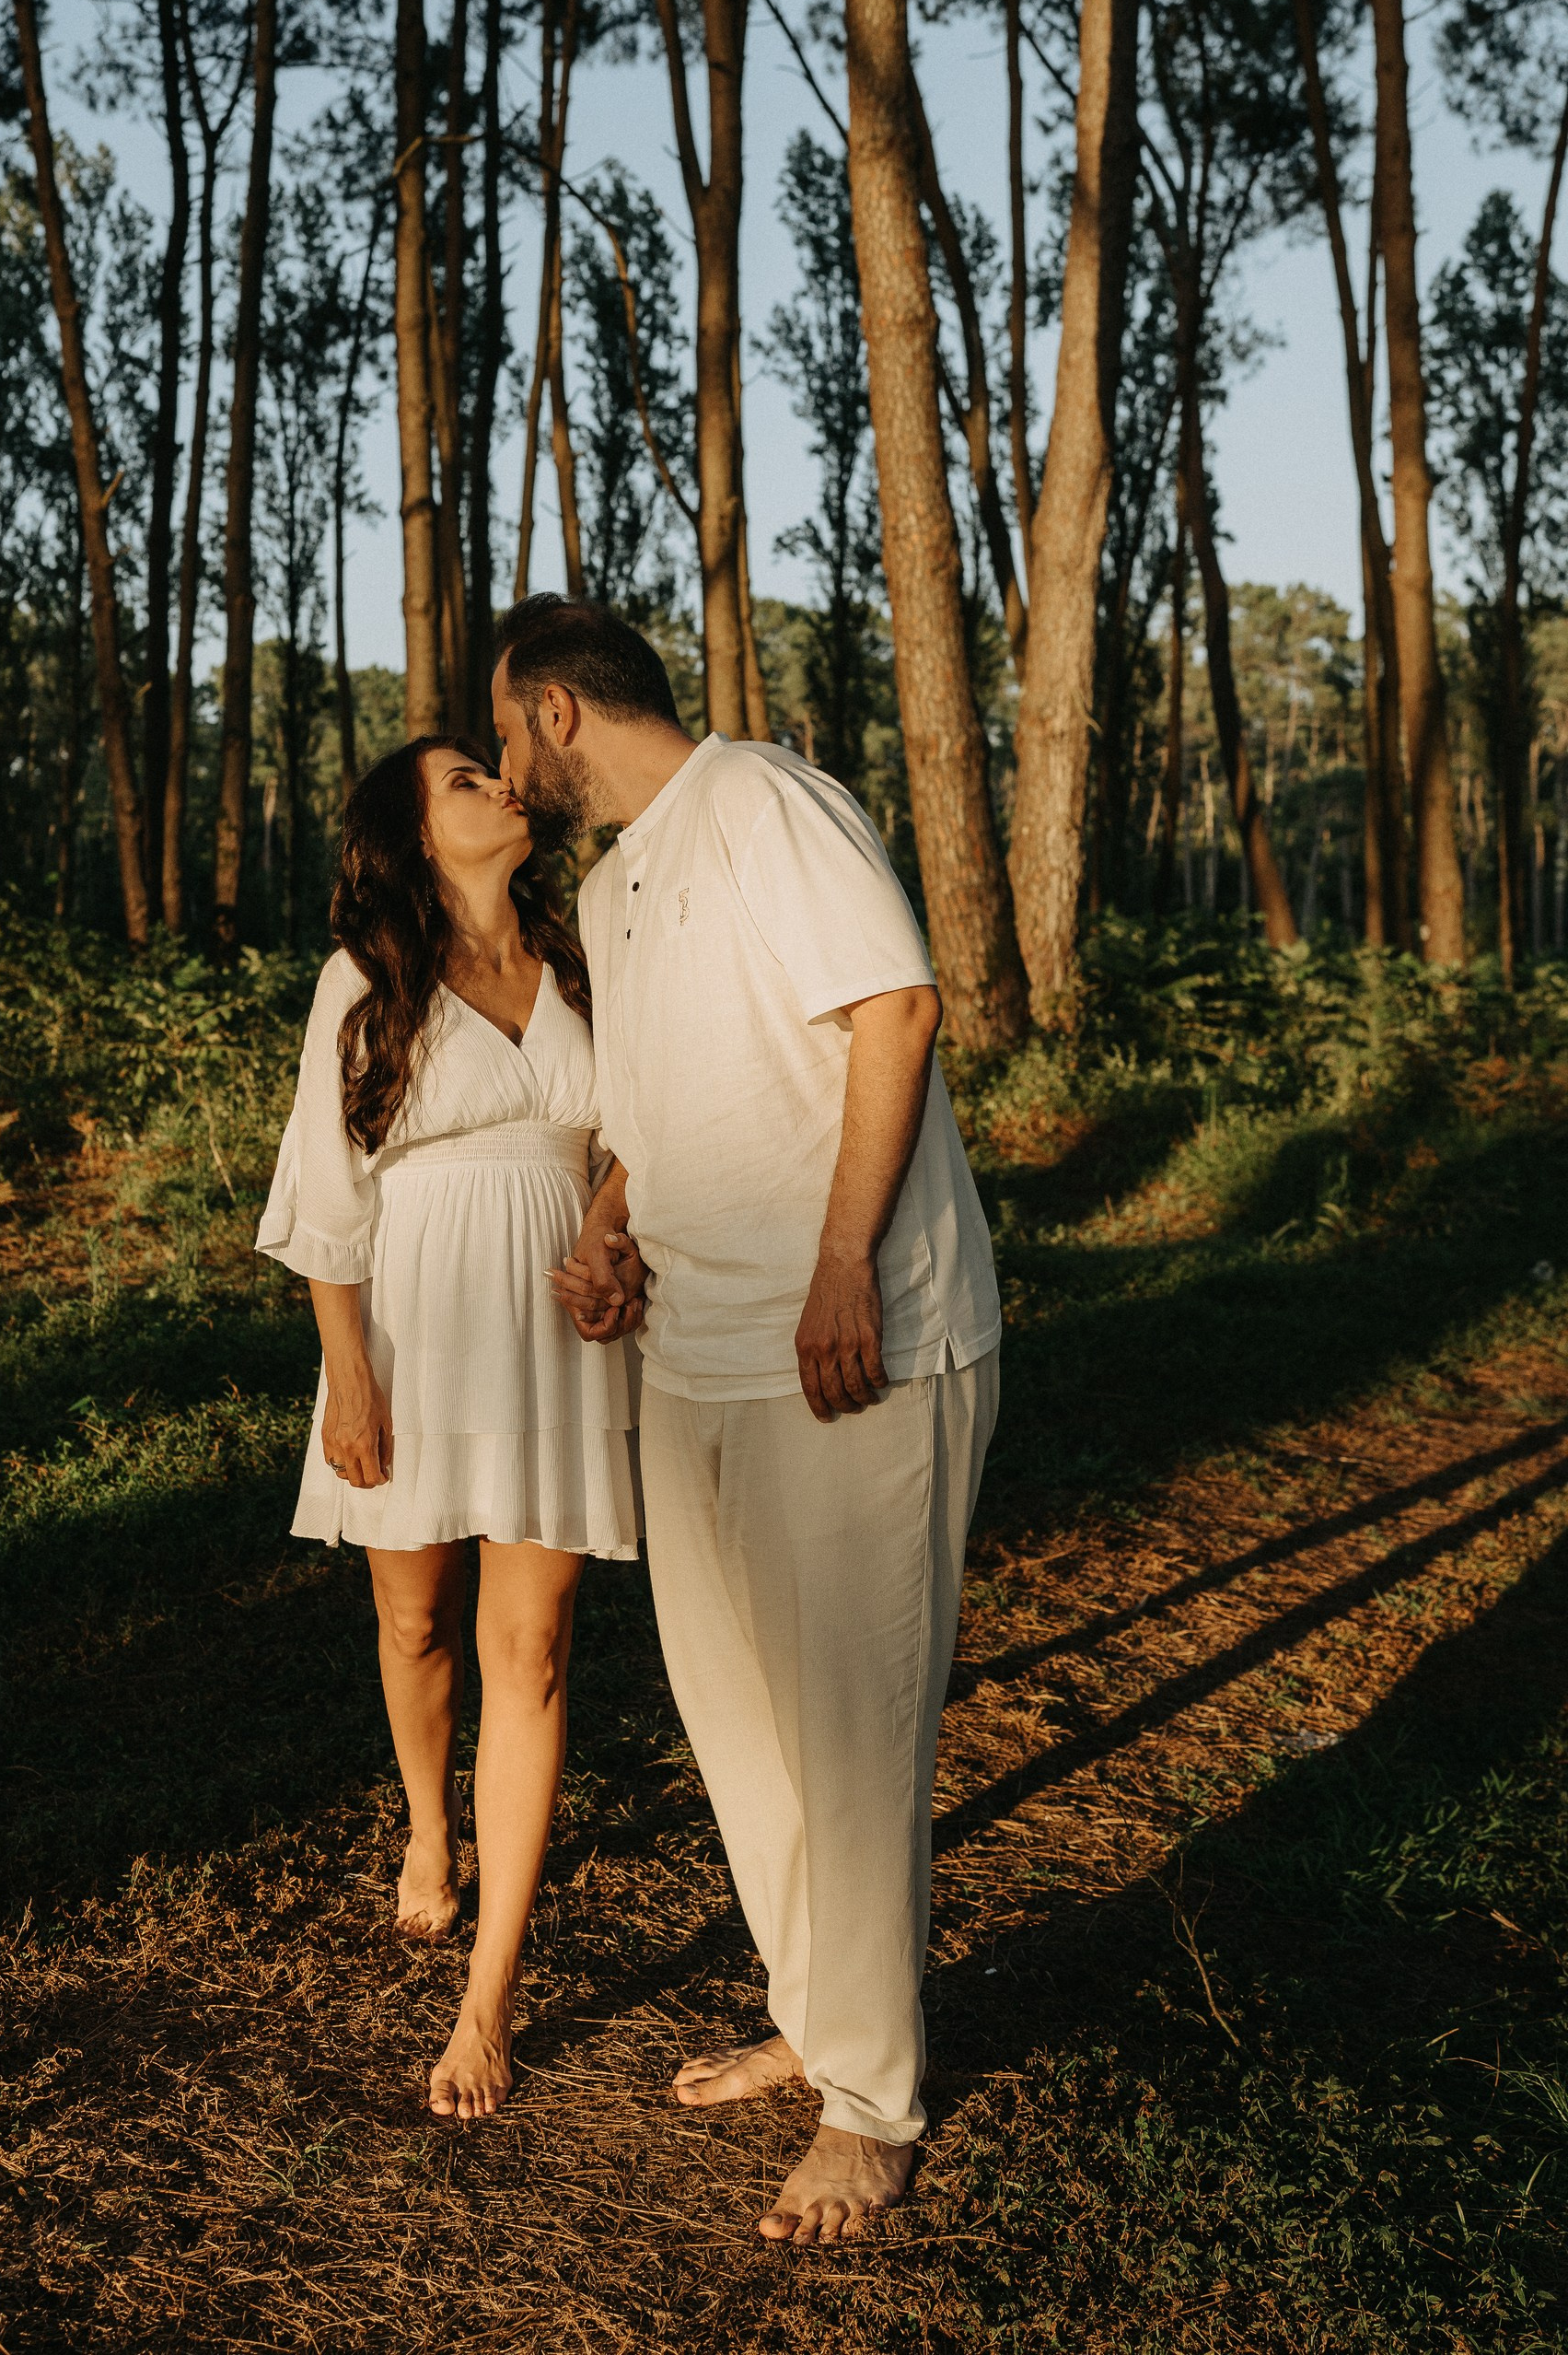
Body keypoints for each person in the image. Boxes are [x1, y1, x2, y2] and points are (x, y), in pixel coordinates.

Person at [491, 596, 1001, 2248]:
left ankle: (873, 2105)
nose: (506, 767)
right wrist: (608, 1230)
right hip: (691, 1357)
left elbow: (896, 1011)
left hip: (852, 1341)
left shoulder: (767, 800)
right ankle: (818, 2010)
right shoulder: (615, 881)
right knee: (741, 1719)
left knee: (851, 1729)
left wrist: (845, 1262)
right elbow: (648, 1119)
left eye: (509, 733)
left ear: (562, 709)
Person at [256, 735, 640, 2122]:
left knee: (528, 1650)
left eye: (494, 770)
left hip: (559, 1333)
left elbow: (631, 1140)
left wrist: (611, 1239)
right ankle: (430, 1826)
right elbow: (325, 1191)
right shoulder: (365, 983)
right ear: (417, 838)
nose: (499, 784)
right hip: (412, 1330)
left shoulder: (585, 959)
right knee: (417, 1624)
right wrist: (347, 1373)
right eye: (464, 781)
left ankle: (489, 1996)